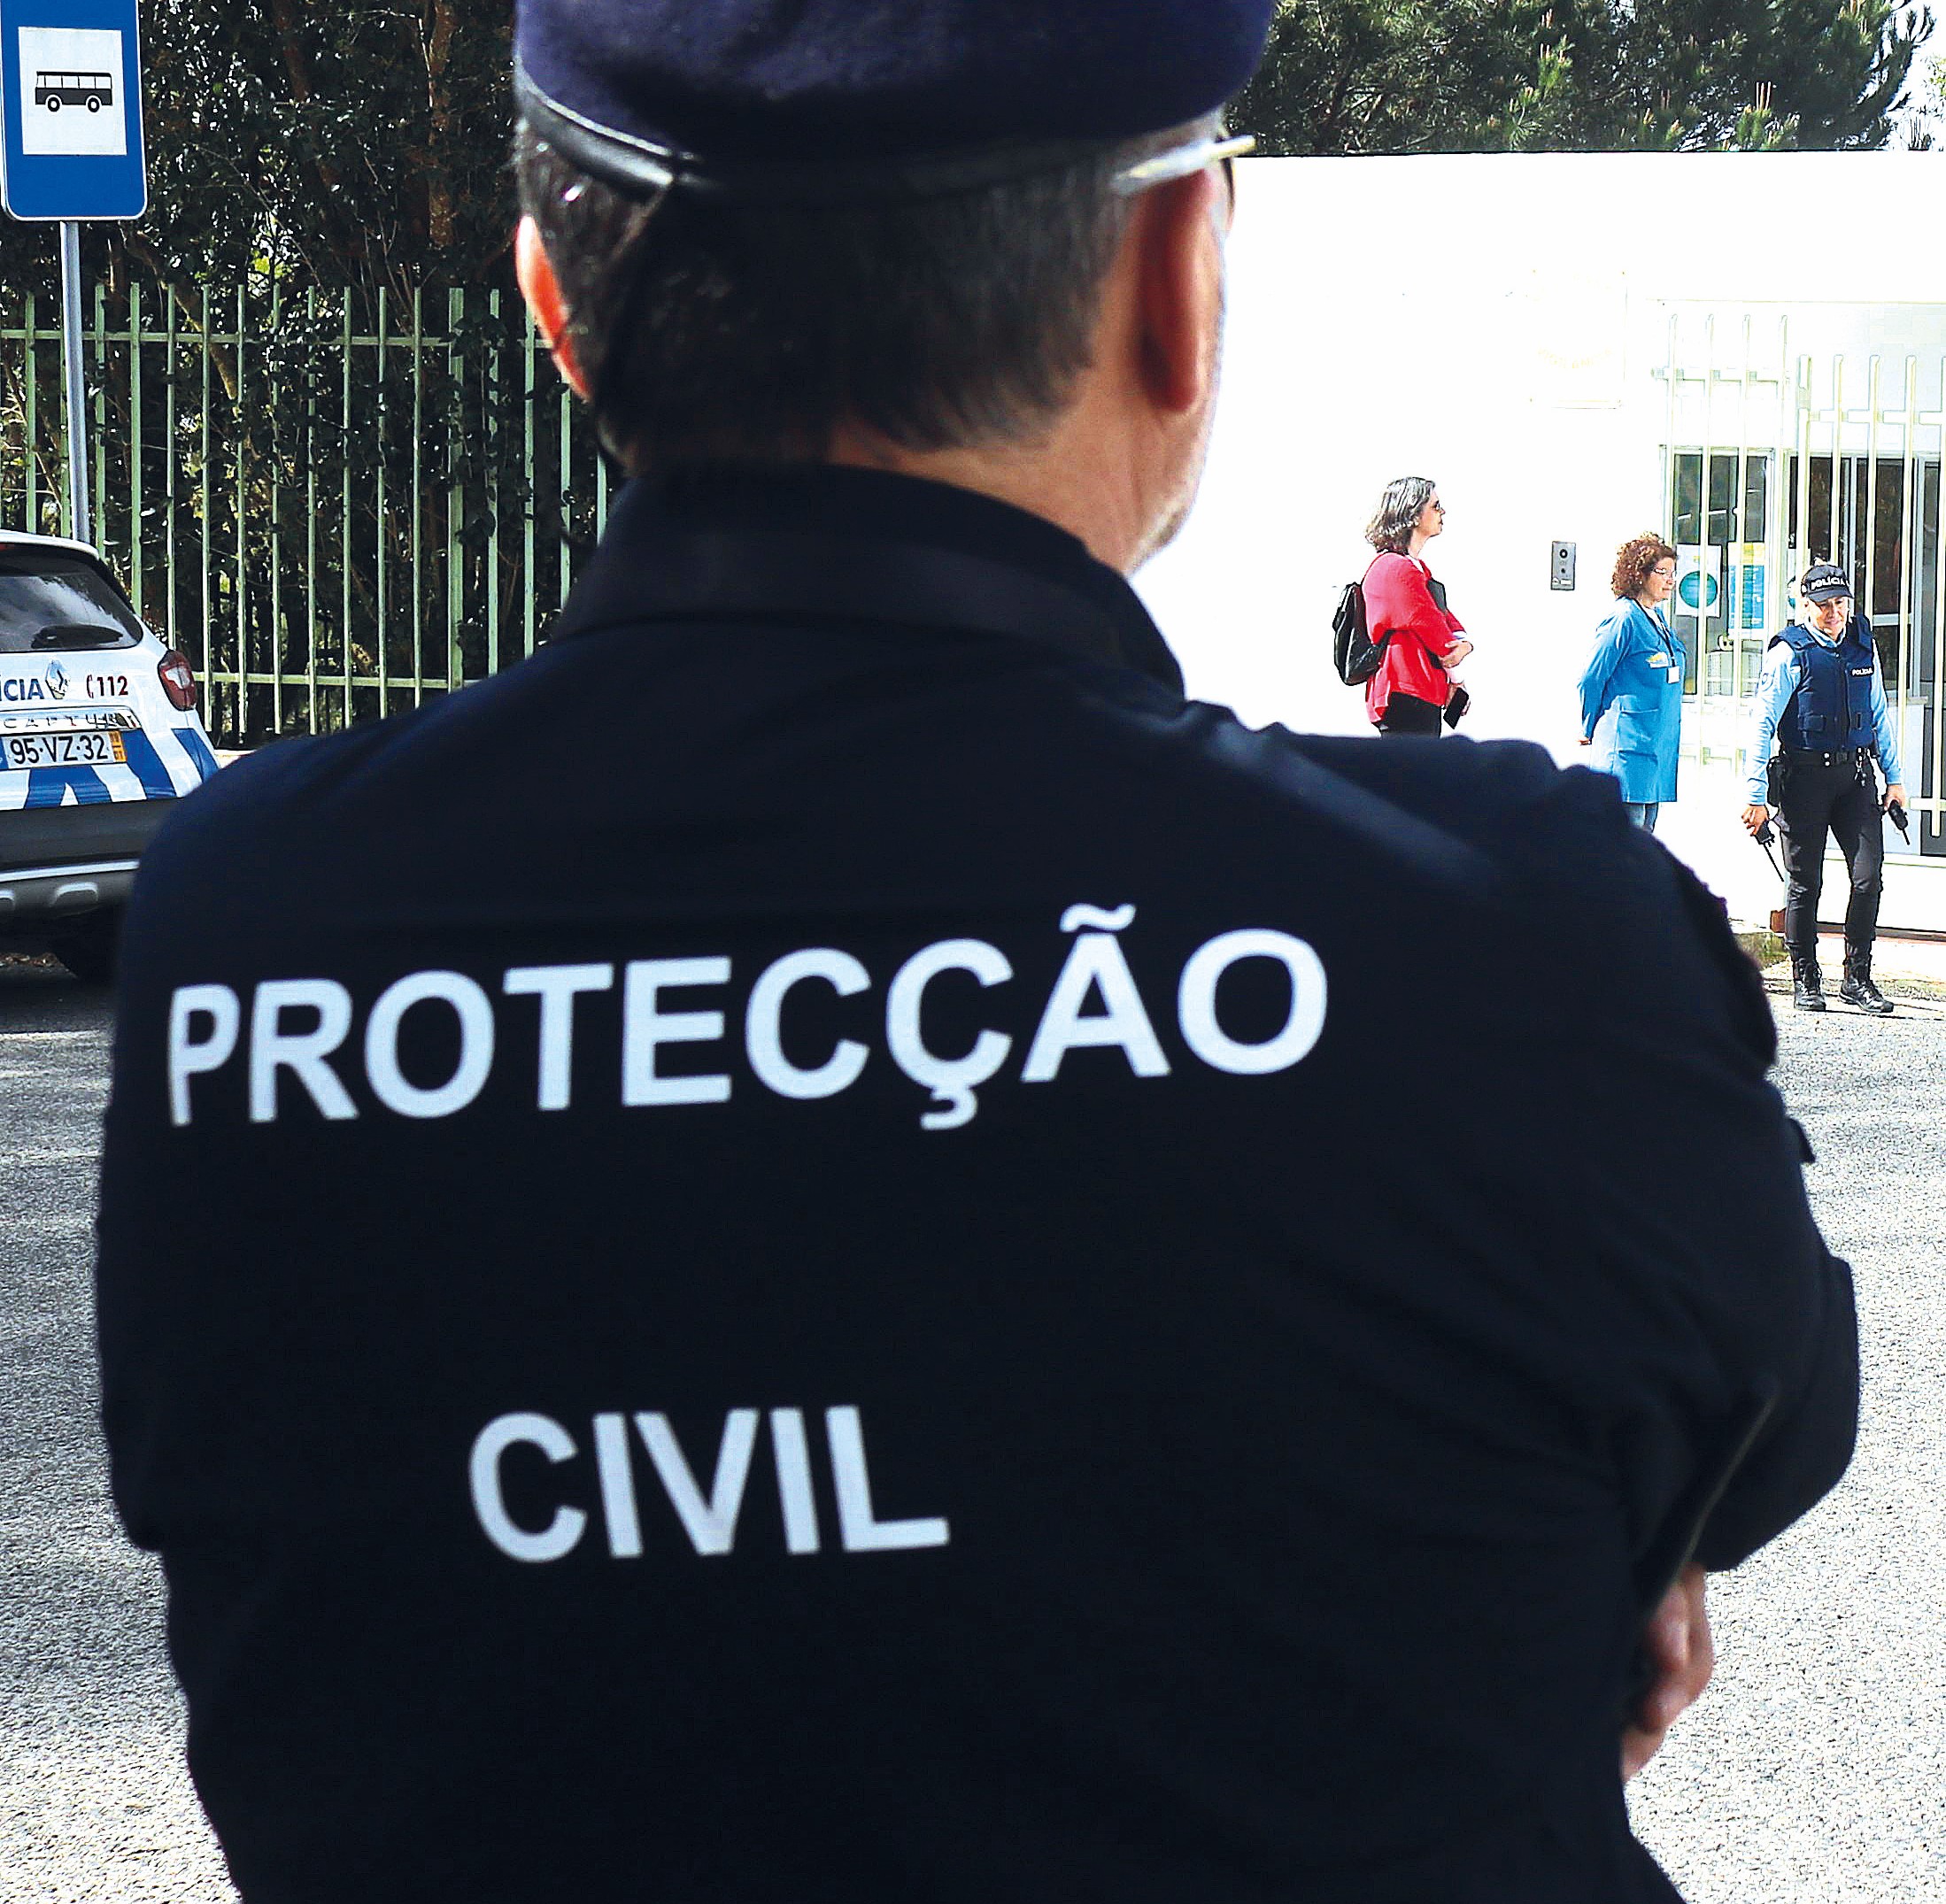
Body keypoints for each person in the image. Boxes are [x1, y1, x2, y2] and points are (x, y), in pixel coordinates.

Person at [95, 5, 1857, 1900]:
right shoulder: (1505, 929)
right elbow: (1767, 1414)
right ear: (1177, 284)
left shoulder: (249, 933)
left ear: (554, 307)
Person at [1741, 561, 1905, 1014]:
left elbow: (1878, 716)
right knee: (1805, 883)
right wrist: (1755, 796)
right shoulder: (1789, 653)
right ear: (1805, 607)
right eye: (1823, 605)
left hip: (1855, 778)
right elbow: (1761, 725)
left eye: (1840, 603)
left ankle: (1857, 977)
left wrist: (1894, 778)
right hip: (1804, 780)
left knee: (1868, 878)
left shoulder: (1861, 647)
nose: (1834, 613)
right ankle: (1806, 975)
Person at [1577, 536, 1685, 830]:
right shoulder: (1623, 619)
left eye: (1673, 573)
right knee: (1622, 843)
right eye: (1662, 572)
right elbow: (1591, 678)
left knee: (1643, 843)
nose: (1670, 580)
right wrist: (1589, 725)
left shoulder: (1657, 618)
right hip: (1626, 749)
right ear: (1639, 574)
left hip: (1653, 751)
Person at [1360, 475, 1472, 735]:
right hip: (1407, 692)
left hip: (1417, 692)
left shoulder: (1414, 568)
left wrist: (1464, 644)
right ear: (1412, 514)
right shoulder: (1397, 569)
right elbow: (1438, 633)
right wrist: (1458, 677)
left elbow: (1445, 619)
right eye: (1435, 506)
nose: (1442, 512)